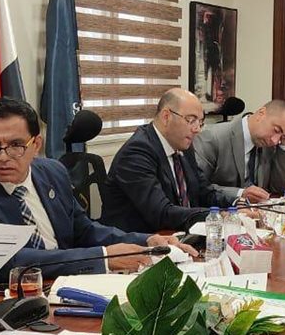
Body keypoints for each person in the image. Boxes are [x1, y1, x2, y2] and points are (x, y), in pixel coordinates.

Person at [0, 98, 196, 280]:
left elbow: (84, 229)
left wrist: (145, 240)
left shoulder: (53, 172)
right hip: (13, 295)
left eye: (16, 145)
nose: (3, 157)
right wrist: (103, 257)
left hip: (68, 283)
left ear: (36, 144)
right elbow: (7, 262)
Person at [100, 88, 236, 233]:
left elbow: (204, 191)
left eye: (200, 122)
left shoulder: (183, 145)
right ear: (166, 117)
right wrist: (218, 215)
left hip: (177, 234)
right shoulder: (137, 153)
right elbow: (161, 213)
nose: (197, 129)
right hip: (142, 239)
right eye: (191, 120)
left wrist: (237, 204)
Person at [193, 99, 285, 203]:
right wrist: (240, 194)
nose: (275, 141)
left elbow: (277, 189)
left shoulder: (270, 145)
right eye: (276, 130)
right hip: (220, 211)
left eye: (282, 137)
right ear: (261, 114)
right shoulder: (212, 137)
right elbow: (198, 187)